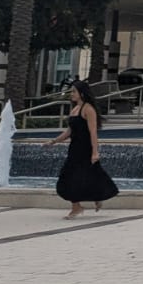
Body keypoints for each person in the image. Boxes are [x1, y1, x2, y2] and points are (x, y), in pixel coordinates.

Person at [45, 79, 119, 219]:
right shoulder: (74, 109)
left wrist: (95, 152)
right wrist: (53, 141)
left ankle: (77, 207)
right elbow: (69, 132)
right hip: (74, 149)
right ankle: (91, 199)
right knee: (74, 177)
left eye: (74, 91)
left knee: (78, 176)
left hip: (85, 149)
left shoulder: (88, 109)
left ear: (82, 93)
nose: (71, 94)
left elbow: (93, 132)